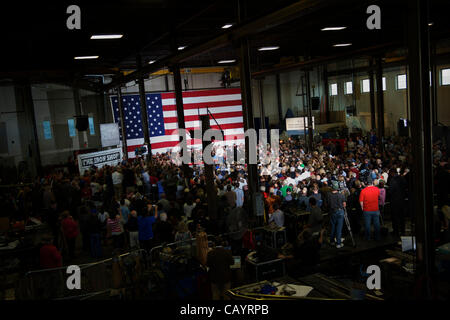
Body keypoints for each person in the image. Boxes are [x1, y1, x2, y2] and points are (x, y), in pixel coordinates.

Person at [328, 181, 346, 248]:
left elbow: (328, 204)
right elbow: (344, 204)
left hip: (332, 212)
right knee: (339, 228)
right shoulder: (341, 195)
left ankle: (332, 241)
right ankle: (338, 243)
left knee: (333, 227)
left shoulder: (329, 195)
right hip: (340, 211)